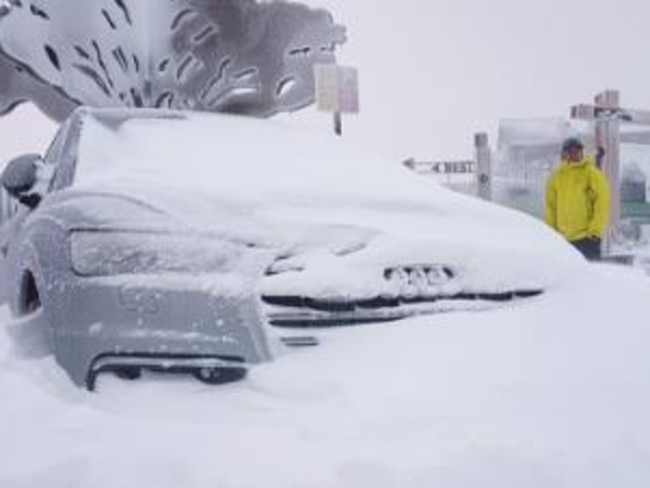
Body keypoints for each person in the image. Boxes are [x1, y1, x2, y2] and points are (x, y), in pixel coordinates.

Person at [544, 137, 610, 260]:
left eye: (577, 150)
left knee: (590, 276)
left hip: (587, 238)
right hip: (563, 240)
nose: (574, 154)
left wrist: (595, 231)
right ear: (564, 153)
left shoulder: (591, 173)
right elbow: (551, 207)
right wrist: (552, 234)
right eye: (570, 151)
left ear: (582, 152)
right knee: (566, 277)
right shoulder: (556, 177)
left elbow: (602, 202)